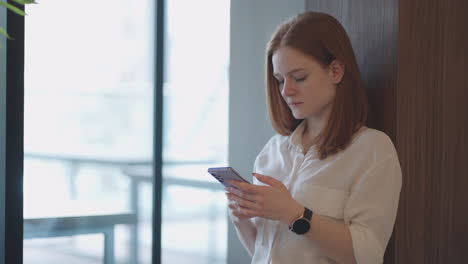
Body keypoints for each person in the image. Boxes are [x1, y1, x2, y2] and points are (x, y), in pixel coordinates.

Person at [225, 11, 402, 264]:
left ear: (336, 71)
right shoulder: (272, 151)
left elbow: (367, 254)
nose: (286, 91)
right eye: (279, 80)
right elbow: (264, 252)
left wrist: (294, 214)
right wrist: (240, 218)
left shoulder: (372, 150)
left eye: (299, 77)